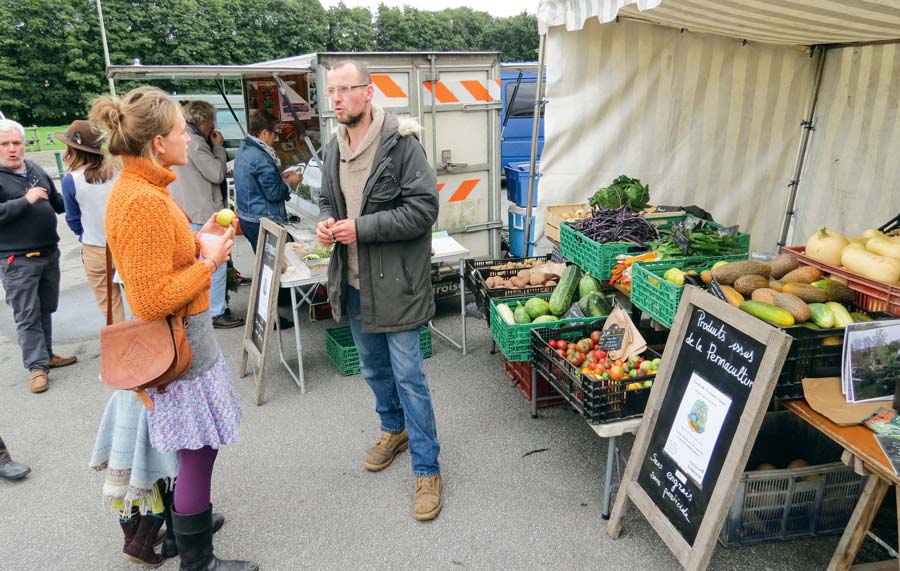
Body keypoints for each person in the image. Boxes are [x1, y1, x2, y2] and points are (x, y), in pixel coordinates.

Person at [91, 86, 257, 571]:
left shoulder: (146, 190)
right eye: (183, 133)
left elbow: (159, 261)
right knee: (198, 449)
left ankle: (182, 529)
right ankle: (197, 560)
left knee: (191, 448)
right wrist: (209, 262)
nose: (191, 140)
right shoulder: (141, 200)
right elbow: (149, 298)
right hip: (179, 349)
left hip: (183, 343)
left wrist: (196, 238)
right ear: (158, 143)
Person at [316, 60, 443, 521]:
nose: (336, 99)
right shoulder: (334, 146)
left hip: (398, 285)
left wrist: (361, 229)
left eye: (345, 90)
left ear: (368, 93)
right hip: (352, 282)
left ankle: (427, 470)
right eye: (331, 91)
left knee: (409, 376)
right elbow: (330, 199)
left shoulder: (401, 145)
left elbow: (424, 209)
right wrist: (327, 223)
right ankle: (394, 430)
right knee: (372, 368)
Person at [0, 119, 78, 394]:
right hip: (17, 259)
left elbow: (57, 202)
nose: (12, 149)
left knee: (45, 308)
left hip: (48, 253)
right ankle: (36, 367)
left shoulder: (33, 169)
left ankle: (45, 355)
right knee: (27, 314)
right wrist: (26, 200)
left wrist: (78, 187)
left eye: (16, 143)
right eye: (5, 144)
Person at [169, 100, 243, 330]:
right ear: (202, 120)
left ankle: (209, 309)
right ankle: (215, 312)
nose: (214, 124)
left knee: (201, 265)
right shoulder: (197, 144)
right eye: (212, 119)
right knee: (215, 264)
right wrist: (219, 148)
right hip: (200, 212)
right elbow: (217, 173)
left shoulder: (190, 141)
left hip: (189, 210)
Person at [57, 120, 126, 323]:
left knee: (110, 307)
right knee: (139, 300)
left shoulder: (72, 180)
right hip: (124, 243)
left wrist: (84, 235)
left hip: (95, 247)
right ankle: (153, 347)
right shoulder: (119, 170)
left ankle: (123, 349)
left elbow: (73, 219)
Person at [233, 109, 301, 253]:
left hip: (248, 216)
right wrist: (290, 182)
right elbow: (274, 193)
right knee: (275, 265)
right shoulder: (261, 157)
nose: (275, 138)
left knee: (263, 263)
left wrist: (280, 177)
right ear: (264, 132)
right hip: (262, 219)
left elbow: (256, 181)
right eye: (274, 133)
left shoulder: (244, 148)